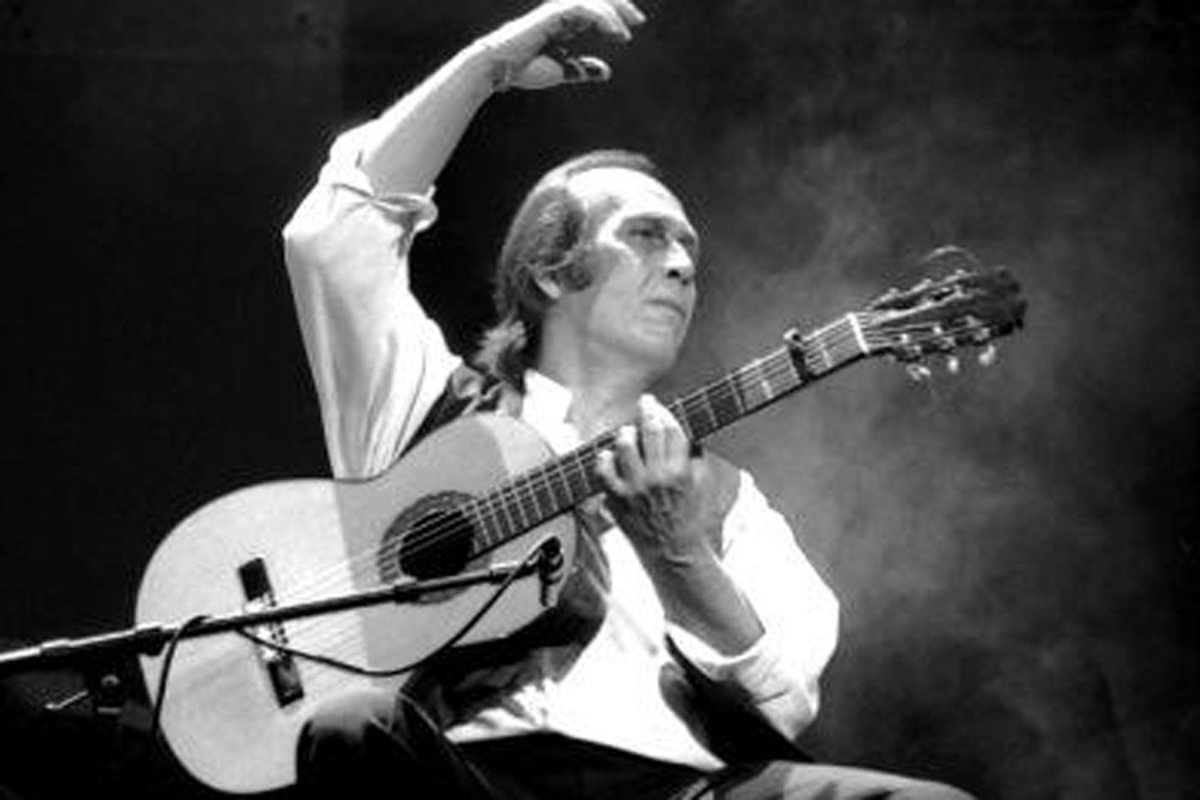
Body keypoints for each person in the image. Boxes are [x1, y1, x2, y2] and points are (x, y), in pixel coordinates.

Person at [281, 1, 973, 797]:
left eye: (689, 248)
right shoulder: (421, 415)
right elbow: (333, 237)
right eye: (647, 235)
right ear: (550, 270)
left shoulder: (728, 501)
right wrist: (486, 67)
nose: (682, 264)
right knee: (348, 728)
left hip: (678, 789)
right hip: (465, 780)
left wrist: (679, 550)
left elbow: (783, 705)